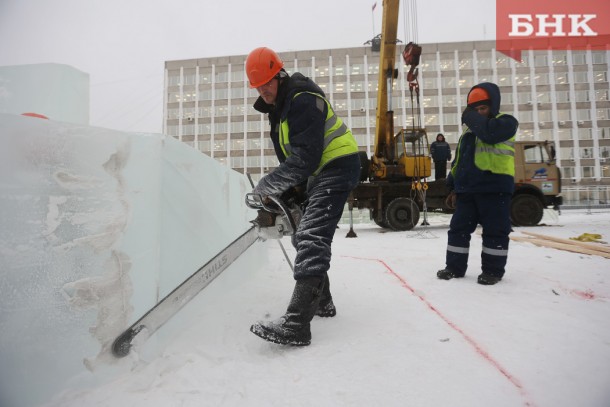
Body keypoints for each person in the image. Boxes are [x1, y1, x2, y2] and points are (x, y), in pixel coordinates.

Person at [245, 47, 361, 345]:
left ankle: (297, 324)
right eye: (257, 86)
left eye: (267, 83)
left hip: (338, 165)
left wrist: (268, 186)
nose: (263, 90)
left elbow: (305, 159)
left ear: (279, 75)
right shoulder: (280, 109)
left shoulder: (301, 99)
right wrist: (287, 193)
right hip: (319, 173)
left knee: (311, 235)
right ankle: (323, 302)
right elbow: (296, 161)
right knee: (302, 236)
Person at [437, 82, 518, 285]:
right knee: (458, 230)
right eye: (475, 110)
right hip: (468, 191)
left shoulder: (506, 123)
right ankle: (454, 268)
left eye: (483, 109)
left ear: (493, 106)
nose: (479, 114)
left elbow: (489, 134)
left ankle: (492, 271)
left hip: (494, 189)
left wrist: (469, 116)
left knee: (495, 231)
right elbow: (460, 162)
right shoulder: (469, 133)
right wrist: (452, 183)